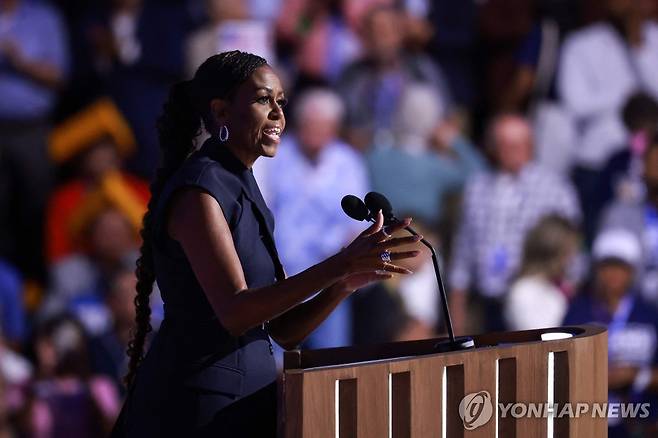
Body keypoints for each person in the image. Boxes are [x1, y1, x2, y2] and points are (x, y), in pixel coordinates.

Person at [111, 51, 420, 437]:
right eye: (262, 99)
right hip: (194, 408)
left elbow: (282, 331)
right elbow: (236, 313)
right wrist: (340, 263)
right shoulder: (199, 191)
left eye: (281, 102)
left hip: (246, 402)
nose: (278, 113)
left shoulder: (242, 183)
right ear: (221, 111)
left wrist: (344, 282)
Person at [254, 87, 369, 350]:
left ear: (335, 128)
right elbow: (261, 209)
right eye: (310, 125)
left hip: (330, 276)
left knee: (329, 361)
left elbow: (357, 223)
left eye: (323, 126)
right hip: (282, 279)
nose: (316, 133)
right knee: (278, 359)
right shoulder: (276, 156)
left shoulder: (347, 162)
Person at [449, 113, 580, 333]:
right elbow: (462, 256)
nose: (510, 151)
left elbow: (572, 246)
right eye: (503, 144)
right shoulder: (477, 188)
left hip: (533, 299)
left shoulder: (555, 188)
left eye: (517, 145)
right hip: (487, 302)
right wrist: (456, 319)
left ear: (530, 146)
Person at [563, 228, 658, 438]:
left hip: (639, 422)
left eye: (621, 267)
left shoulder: (650, 315)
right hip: (588, 419)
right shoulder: (579, 311)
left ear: (632, 271)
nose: (613, 274)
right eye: (607, 266)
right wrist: (593, 375)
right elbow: (558, 363)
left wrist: (635, 376)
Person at [601, 133, 658, 304]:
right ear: (642, 168)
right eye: (655, 163)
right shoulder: (619, 214)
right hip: (632, 312)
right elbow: (607, 275)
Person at [504, 215, 580, 331]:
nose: (572, 259)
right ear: (554, 252)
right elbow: (539, 338)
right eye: (568, 252)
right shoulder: (523, 291)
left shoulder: (562, 286)